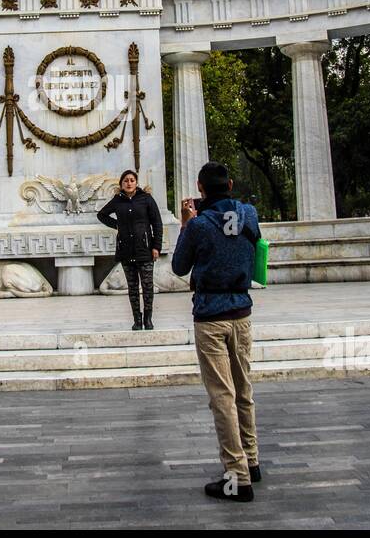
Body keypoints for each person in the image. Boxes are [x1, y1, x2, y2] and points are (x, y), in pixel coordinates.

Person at [171, 161, 261, 503]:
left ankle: (236, 476)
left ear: (200, 188)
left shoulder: (199, 225)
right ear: (232, 184)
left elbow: (180, 267)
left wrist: (186, 224)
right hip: (242, 312)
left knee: (221, 396)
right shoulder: (248, 214)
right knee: (243, 389)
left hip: (211, 316)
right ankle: (251, 461)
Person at [96, 170, 162, 330]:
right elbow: (102, 215)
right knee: (132, 287)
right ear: (121, 184)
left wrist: (156, 246)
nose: (129, 183)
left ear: (136, 182)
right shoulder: (117, 200)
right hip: (126, 250)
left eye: (132, 180)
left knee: (147, 286)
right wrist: (117, 225)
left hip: (145, 249)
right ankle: (137, 320)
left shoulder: (146, 199)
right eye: (125, 180)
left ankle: (148, 318)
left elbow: (157, 223)